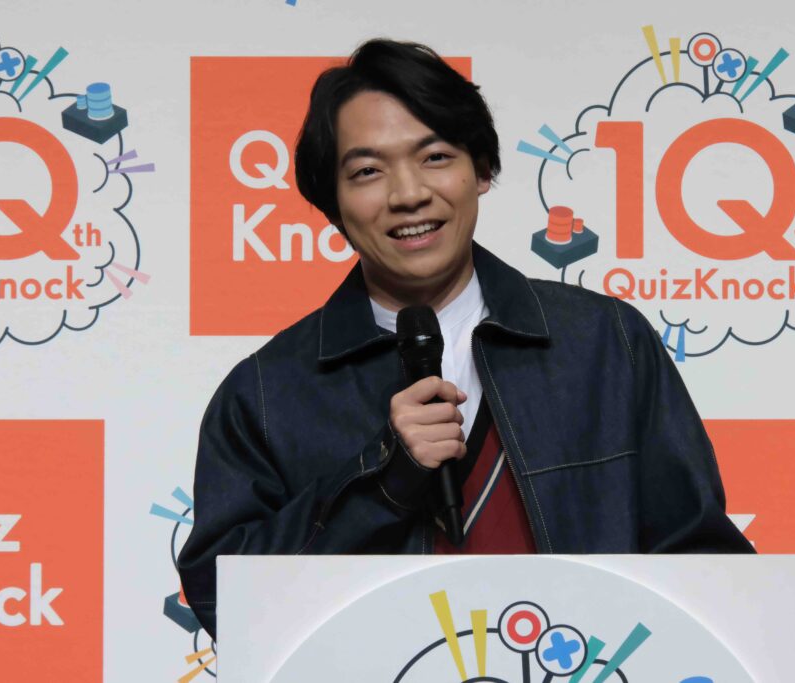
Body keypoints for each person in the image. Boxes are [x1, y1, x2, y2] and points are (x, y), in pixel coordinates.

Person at [178, 38, 752, 640]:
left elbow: (705, 567)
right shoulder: (267, 392)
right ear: (332, 203)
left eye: (434, 157)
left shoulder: (606, 344)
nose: (408, 194)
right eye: (368, 171)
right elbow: (224, 604)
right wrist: (381, 483)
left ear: (480, 170)